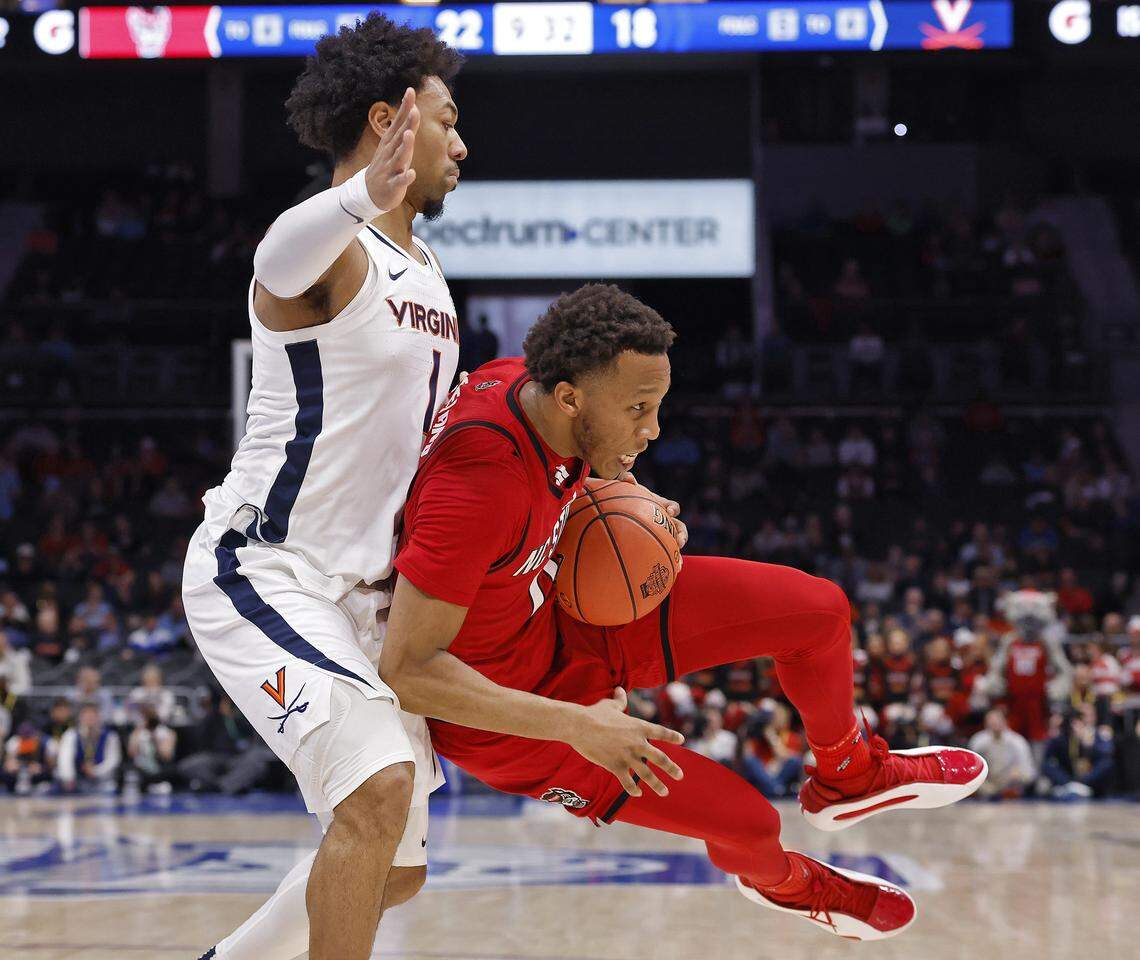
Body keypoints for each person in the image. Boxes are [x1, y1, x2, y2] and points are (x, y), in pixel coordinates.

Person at [381, 285, 988, 941]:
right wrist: (577, 724)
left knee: (818, 611)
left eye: (657, 405)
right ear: (569, 398)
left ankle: (851, 774)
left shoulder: (526, 387)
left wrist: (631, 495)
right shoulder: (476, 486)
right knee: (751, 822)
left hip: (567, 615)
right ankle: (782, 883)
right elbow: (409, 671)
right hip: (518, 720)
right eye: (638, 409)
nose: (654, 428)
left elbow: (567, 472)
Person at [182, 15, 470, 960]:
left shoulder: (428, 271)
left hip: (365, 597)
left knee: (399, 867)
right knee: (376, 792)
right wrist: (354, 199)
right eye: (447, 121)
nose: (461, 145)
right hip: (267, 569)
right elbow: (272, 263)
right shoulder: (332, 252)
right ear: (390, 122)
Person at [968, 707, 1035, 799]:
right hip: (986, 785)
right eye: (991, 719)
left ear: (1005, 721)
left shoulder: (1017, 741)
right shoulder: (978, 741)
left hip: (1010, 784)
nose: (994, 722)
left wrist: (1019, 773)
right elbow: (971, 769)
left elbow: (1029, 771)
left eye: (997, 719)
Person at [55, 702, 121, 794]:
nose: (89, 719)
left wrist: (95, 771)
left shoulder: (110, 736)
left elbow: (113, 760)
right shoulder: (71, 735)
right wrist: (69, 778)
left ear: (99, 717)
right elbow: (65, 759)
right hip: (77, 780)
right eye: (86, 716)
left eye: (93, 716)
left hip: (101, 781)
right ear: (80, 718)